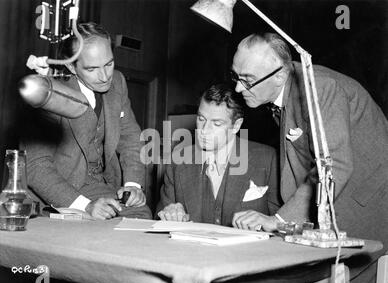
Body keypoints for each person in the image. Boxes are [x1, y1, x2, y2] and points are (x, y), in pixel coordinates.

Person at [231, 32, 388, 283]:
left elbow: (333, 166)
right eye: (236, 77)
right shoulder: (288, 89)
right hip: (335, 208)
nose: (237, 89)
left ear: (279, 75)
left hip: (367, 209)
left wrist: (278, 221)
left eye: (247, 80)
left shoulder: (319, 87)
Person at [21, 22, 151, 220]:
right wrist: (86, 206)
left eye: (109, 64)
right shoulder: (47, 93)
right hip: (59, 194)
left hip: (101, 186)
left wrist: (133, 186)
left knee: (139, 215)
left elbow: (131, 138)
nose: (105, 76)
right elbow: (36, 166)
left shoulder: (118, 82)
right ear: (71, 66)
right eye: (92, 69)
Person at [157, 83, 281, 228]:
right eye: (201, 119)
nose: (204, 130)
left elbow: (283, 221)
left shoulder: (268, 159)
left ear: (236, 125)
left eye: (216, 123)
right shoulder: (178, 160)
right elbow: (159, 216)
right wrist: (168, 213)